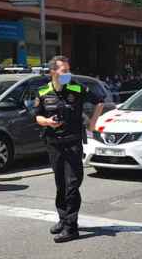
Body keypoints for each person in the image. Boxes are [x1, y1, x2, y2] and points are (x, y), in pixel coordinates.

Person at [35, 56, 104, 243]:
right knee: (60, 185)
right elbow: (38, 117)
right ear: (53, 73)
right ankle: (63, 219)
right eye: (64, 71)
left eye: (68, 70)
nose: (68, 74)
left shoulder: (76, 88)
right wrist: (48, 122)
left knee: (72, 185)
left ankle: (71, 228)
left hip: (72, 143)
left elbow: (100, 101)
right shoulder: (43, 91)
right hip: (53, 144)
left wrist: (92, 123)